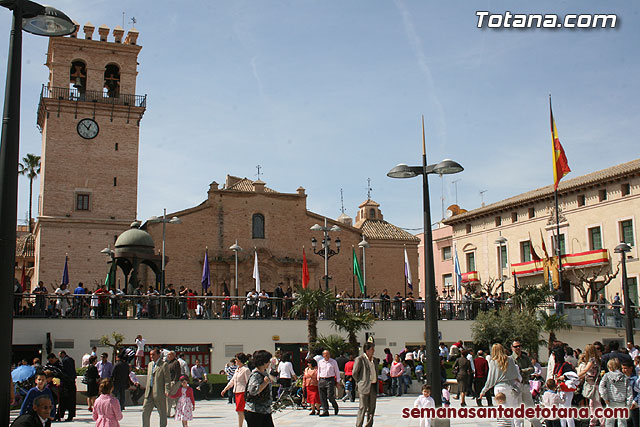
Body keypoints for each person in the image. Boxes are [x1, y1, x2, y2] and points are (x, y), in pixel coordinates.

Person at [479, 343, 523, 427]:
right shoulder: (510, 359)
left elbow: (490, 379)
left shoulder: (493, 362)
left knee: (502, 407)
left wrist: (483, 391)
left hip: (498, 388)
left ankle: (502, 424)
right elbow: (515, 375)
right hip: (509, 387)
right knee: (511, 408)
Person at [510, 341, 542, 427]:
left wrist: (522, 371)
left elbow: (532, 369)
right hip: (516, 386)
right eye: (516, 346)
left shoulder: (525, 358)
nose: (518, 348)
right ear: (512, 348)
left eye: (519, 346)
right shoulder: (511, 359)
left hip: (525, 384)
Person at [599, 358, 633, 427]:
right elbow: (629, 391)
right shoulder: (624, 377)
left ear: (610, 367)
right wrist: (628, 403)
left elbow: (601, 387)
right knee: (622, 423)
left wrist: (605, 398)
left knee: (609, 422)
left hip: (610, 401)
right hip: (622, 402)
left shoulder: (607, 376)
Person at [245, 349, 275, 427]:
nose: (269, 363)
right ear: (263, 362)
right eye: (268, 361)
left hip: (264, 410)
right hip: (255, 411)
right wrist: (264, 383)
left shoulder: (264, 373)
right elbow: (252, 391)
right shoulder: (255, 375)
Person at [142, 347, 171, 427]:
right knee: (145, 411)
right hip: (149, 392)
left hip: (159, 392)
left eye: (153, 354)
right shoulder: (150, 364)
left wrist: (167, 390)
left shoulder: (164, 365)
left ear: (159, 355)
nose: (151, 356)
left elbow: (167, 379)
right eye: (150, 355)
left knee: (162, 413)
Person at [577, 344, 604, 427]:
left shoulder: (592, 360)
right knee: (592, 404)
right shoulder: (598, 359)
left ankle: (602, 422)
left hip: (592, 383)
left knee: (596, 404)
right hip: (595, 383)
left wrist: (577, 375)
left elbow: (586, 370)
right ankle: (594, 421)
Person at [221, 353, 251, 427]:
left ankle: (241, 425)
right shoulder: (237, 369)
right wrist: (225, 389)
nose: (235, 361)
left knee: (240, 410)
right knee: (239, 410)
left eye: (236, 359)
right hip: (236, 391)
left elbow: (248, 382)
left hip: (242, 392)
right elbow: (232, 381)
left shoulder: (246, 370)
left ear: (240, 360)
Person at [352, 342, 377, 427]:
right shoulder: (360, 359)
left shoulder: (375, 360)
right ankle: (359, 425)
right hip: (364, 387)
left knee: (372, 408)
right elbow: (355, 373)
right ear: (367, 350)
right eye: (372, 349)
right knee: (363, 407)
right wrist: (360, 382)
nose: (373, 351)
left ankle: (369, 425)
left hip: (373, 386)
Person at [317, 349, 340, 417]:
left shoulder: (333, 362)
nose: (326, 356)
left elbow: (337, 371)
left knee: (330, 396)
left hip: (330, 380)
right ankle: (325, 410)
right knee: (322, 396)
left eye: (328, 354)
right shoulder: (320, 362)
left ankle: (335, 406)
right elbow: (319, 371)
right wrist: (318, 379)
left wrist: (338, 381)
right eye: (325, 354)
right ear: (323, 355)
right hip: (322, 379)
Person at [58, 350, 76, 421]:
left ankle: (65, 415)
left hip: (67, 383)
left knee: (67, 400)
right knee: (71, 401)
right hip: (72, 382)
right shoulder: (71, 359)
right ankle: (70, 415)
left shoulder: (65, 361)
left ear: (63, 354)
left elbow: (65, 371)